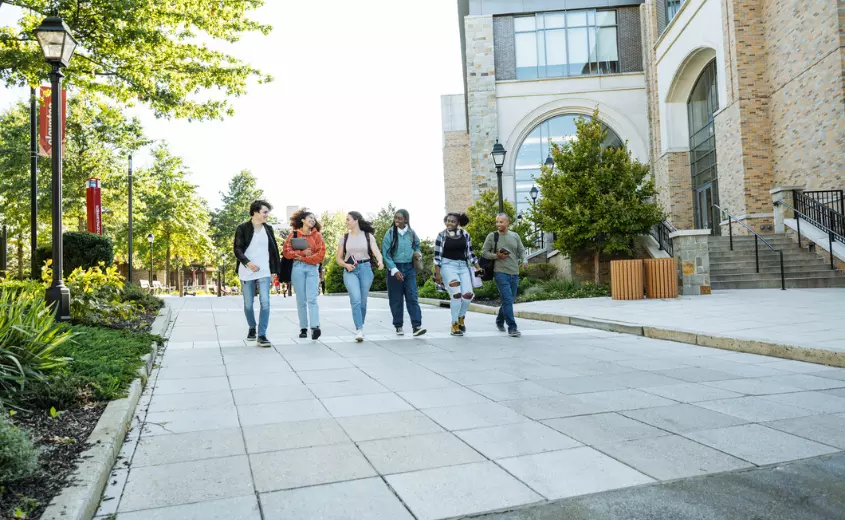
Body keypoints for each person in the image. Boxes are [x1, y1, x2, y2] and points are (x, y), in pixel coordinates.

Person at [233, 200, 281, 347]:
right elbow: (237, 249)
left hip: (264, 272)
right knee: (248, 305)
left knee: (265, 303)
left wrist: (274, 272)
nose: (267, 215)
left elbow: (273, 252)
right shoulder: (242, 228)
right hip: (246, 271)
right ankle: (252, 327)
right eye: (265, 212)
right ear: (255, 212)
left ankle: (262, 334)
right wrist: (248, 263)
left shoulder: (269, 229)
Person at [335, 211, 384, 342]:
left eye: (348, 219)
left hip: (365, 269)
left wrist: (380, 261)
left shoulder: (368, 236)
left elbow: (376, 251)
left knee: (362, 301)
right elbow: (338, 258)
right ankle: (359, 329)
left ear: (356, 220)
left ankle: (360, 327)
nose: (346, 222)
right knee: (355, 299)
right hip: (350, 270)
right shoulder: (344, 238)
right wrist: (345, 265)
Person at [434, 212, 483, 336]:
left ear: (458, 223)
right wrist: (438, 274)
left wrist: (478, 268)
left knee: (468, 294)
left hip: (463, 266)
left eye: (452, 221)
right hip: (447, 266)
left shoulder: (465, 234)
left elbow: (470, 254)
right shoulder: (441, 235)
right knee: (456, 294)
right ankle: (454, 324)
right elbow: (437, 257)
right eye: (448, 220)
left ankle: (461, 318)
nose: (449, 223)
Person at [283, 209, 326, 340]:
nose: (312, 220)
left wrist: (306, 258)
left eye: (314, 219)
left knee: (312, 298)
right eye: (310, 218)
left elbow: (321, 254)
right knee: (301, 299)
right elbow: (286, 252)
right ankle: (303, 328)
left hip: (312, 268)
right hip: (297, 268)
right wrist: (302, 254)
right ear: (302, 220)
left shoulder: (317, 236)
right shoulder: (294, 235)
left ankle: (315, 327)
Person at [382, 209, 426, 337]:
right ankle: (398, 325)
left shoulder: (411, 233)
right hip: (395, 267)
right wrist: (394, 270)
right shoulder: (390, 233)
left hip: (409, 268)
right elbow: (386, 254)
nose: (397, 221)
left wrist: (418, 253)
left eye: (400, 218)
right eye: (395, 218)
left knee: (412, 296)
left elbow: (417, 245)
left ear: (406, 220)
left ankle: (417, 326)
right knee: (396, 298)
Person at [482, 213, 527, 337]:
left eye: (501, 222)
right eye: (497, 222)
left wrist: (524, 260)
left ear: (508, 223)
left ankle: (499, 320)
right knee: (507, 299)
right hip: (500, 272)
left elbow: (521, 250)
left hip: (514, 272)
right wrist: (497, 256)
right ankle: (512, 327)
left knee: (509, 300)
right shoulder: (492, 236)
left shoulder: (515, 235)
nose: (498, 224)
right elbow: (484, 252)